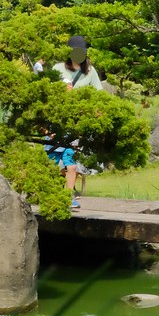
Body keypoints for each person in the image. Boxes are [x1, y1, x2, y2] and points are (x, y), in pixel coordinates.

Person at [47, 35, 103, 208]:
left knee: (71, 164)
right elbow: (46, 93)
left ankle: (68, 196)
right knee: (52, 161)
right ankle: (49, 194)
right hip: (56, 122)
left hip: (76, 125)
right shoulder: (57, 68)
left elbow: (99, 96)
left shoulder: (90, 71)